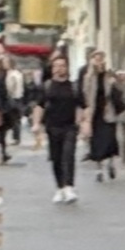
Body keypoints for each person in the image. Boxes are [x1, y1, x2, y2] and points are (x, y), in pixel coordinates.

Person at [40, 66, 83, 205]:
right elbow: (40, 106)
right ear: (53, 69)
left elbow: (82, 105)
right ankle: (59, 188)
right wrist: (36, 124)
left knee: (68, 155)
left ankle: (69, 187)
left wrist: (83, 122)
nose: (60, 69)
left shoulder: (74, 87)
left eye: (62, 66)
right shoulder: (47, 86)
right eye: (57, 66)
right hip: (52, 127)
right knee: (56, 158)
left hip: (70, 126)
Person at [86, 57, 125, 183]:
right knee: (96, 142)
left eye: (101, 61)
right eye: (97, 61)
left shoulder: (109, 76)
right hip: (95, 114)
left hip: (108, 113)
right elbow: (84, 94)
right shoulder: (89, 78)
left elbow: (119, 92)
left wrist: (114, 83)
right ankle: (99, 169)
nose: (99, 64)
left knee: (110, 140)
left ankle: (110, 163)